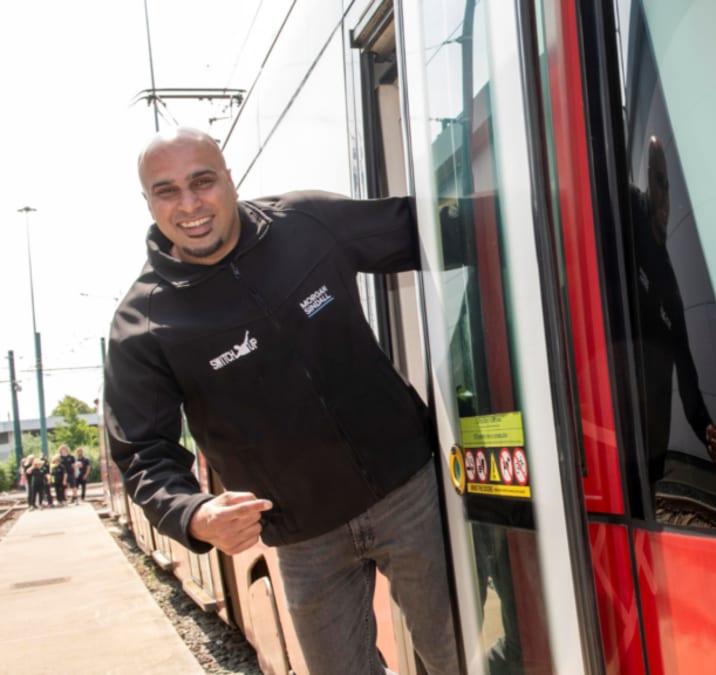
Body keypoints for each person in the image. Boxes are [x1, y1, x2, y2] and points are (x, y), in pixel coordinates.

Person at [104, 127, 461, 675]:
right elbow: (142, 452)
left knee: (461, 659)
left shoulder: (306, 224)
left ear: (229, 177)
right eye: (167, 191)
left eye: (203, 182)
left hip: (409, 494)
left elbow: (437, 230)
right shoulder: (142, 323)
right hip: (304, 540)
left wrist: (585, 199)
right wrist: (194, 514)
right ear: (148, 202)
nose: (190, 204)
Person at [629, 136, 716, 483]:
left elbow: (687, 374)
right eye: (657, 180)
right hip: (611, 439)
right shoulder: (627, 216)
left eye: (667, 186)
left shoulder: (669, 288)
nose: (663, 197)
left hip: (650, 455)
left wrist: (705, 428)